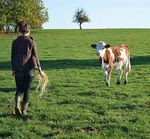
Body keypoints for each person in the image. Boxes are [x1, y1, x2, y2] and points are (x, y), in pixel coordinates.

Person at [11, 21, 43, 116]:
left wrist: (13, 69)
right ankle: (24, 110)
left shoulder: (15, 42)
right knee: (26, 90)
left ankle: (17, 105)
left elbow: (13, 56)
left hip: (18, 69)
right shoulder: (31, 42)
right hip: (29, 70)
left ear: (19, 31)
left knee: (19, 89)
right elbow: (36, 57)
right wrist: (40, 69)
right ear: (29, 31)